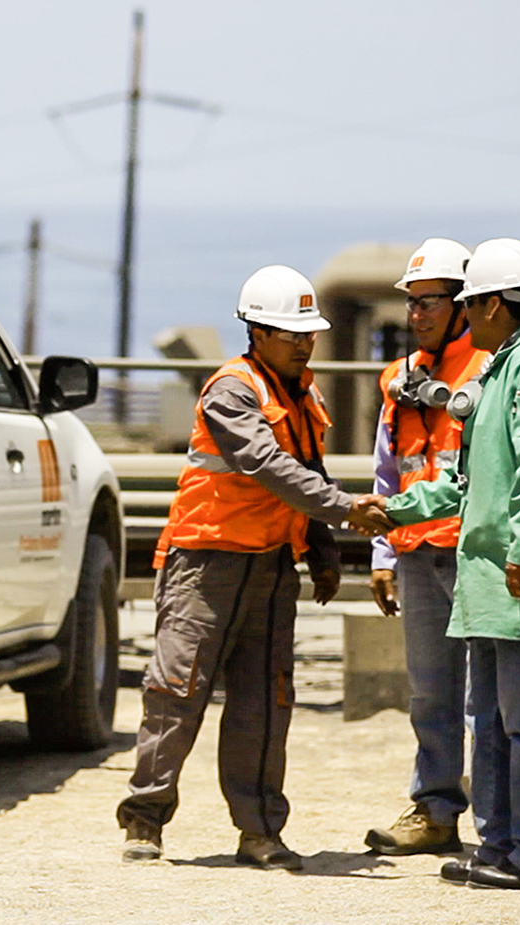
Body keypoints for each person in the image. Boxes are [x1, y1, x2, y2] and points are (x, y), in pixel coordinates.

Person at [117, 265, 393, 868]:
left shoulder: (305, 394)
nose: (303, 342)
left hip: (269, 568)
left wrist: (321, 551)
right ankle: (145, 818)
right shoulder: (232, 390)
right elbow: (266, 464)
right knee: (177, 691)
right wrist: (348, 511)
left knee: (265, 702)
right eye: (289, 332)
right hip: (206, 563)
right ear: (256, 332)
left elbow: (310, 472)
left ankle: (261, 830)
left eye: (308, 332)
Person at [374, 238, 520, 894]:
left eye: (470, 303)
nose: (467, 315)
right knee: (494, 720)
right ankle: (501, 845)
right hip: (489, 583)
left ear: (495, 303)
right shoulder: (499, 373)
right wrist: (394, 513)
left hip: (519, 577)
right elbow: (466, 485)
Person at [364, 239, 488, 857]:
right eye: (411, 303)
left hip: (475, 554)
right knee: (431, 694)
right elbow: (389, 471)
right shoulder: (400, 377)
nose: (417, 314)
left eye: (430, 301)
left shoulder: (492, 366)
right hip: (415, 554)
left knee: (486, 695)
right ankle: (435, 813)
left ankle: (499, 825)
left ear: (463, 302)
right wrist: (383, 556)